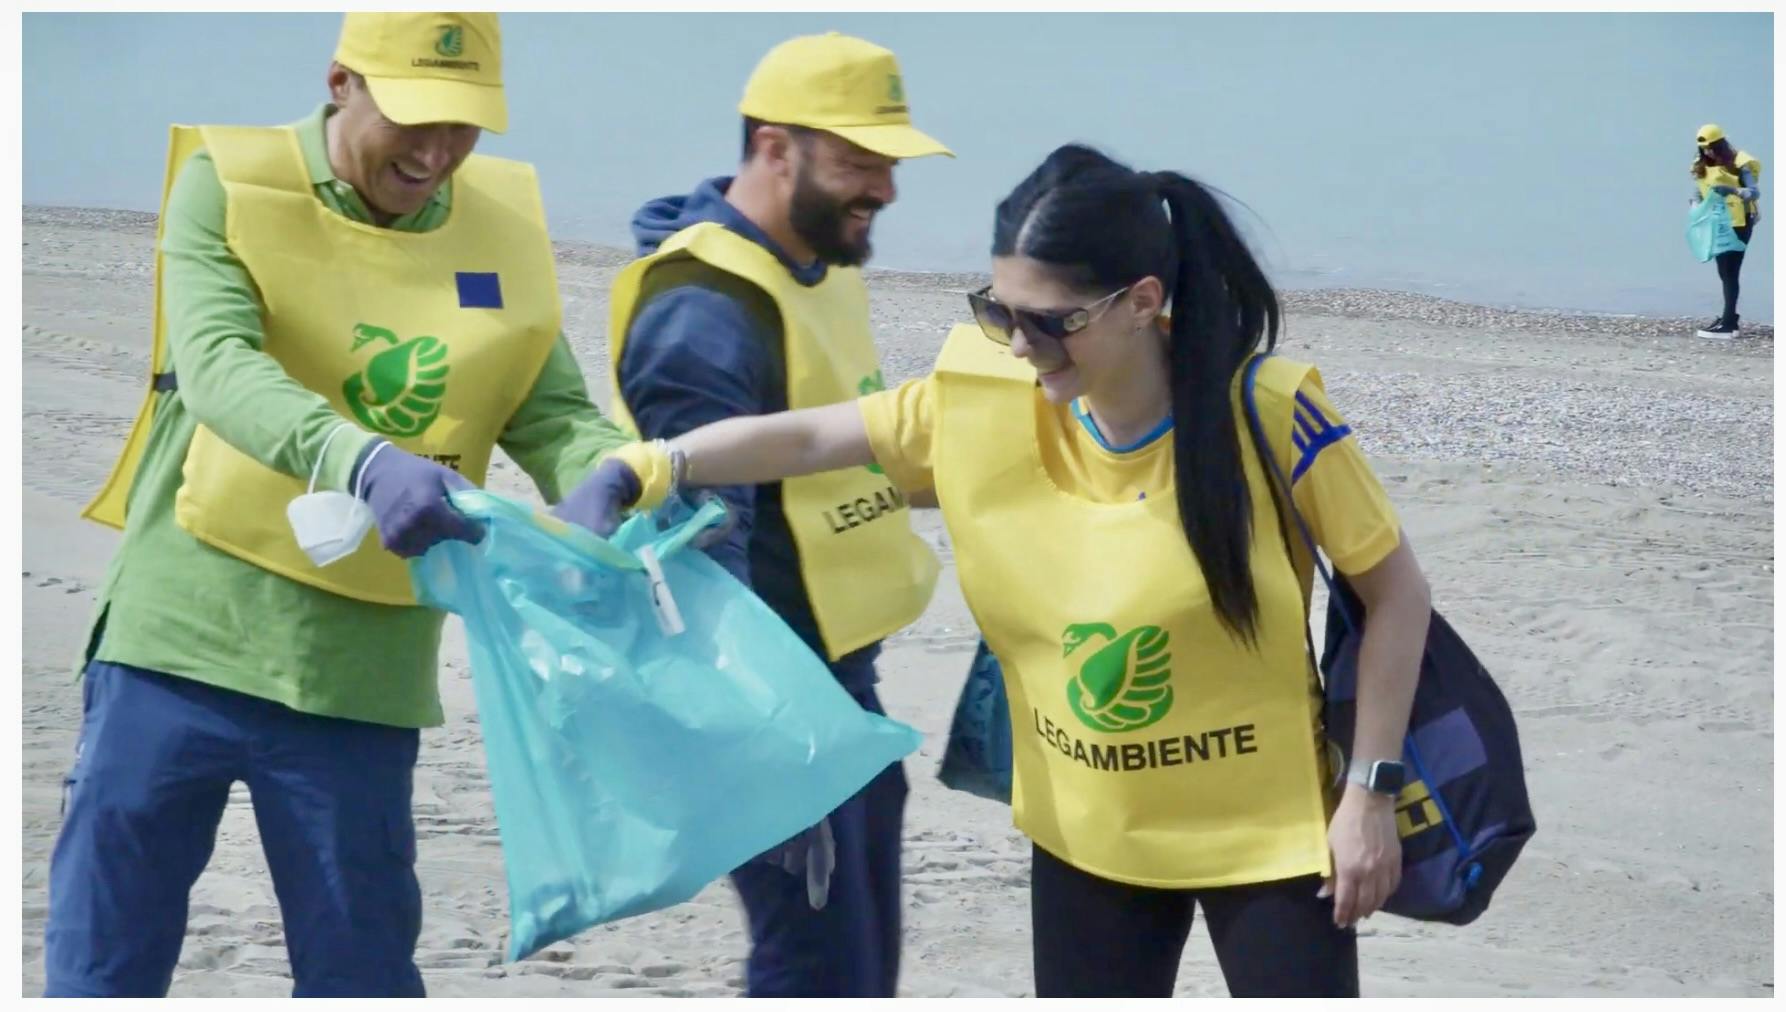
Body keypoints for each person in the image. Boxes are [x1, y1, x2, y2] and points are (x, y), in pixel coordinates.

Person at [557, 144, 1436, 998]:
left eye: (1050, 321)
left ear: (1142, 302)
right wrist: (651, 466)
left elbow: (1394, 594)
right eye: (998, 310)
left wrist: (1368, 795)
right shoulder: (985, 399)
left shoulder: (1270, 411)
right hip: (1088, 835)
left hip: (1271, 837)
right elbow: (816, 435)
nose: (1019, 344)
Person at [48, 13, 632, 997]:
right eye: (415, 115)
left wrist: (613, 474)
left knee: (358, 969)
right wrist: (361, 461)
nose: (439, 151)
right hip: (177, 644)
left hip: (360, 680)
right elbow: (219, 366)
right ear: (341, 82)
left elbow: (554, 412)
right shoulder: (231, 188)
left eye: (466, 124)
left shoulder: (501, 230)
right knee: (104, 961)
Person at [567, 32, 950, 998]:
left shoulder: (817, 264)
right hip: (774, 704)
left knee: (857, 975)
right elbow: (699, 559)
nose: (887, 190)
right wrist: (764, 757)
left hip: (843, 694)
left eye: (891, 164)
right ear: (776, 147)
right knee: (816, 973)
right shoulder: (705, 309)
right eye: (861, 163)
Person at [1689, 123, 1764, 339]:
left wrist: (1731, 190)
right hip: (1717, 223)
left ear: (1720, 144)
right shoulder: (1701, 163)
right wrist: (1695, 207)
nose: (1708, 152)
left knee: (1730, 272)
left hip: (1740, 223)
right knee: (1723, 271)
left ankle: (1729, 324)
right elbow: (1700, 189)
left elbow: (1753, 192)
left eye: (1712, 147)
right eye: (1704, 149)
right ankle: (1728, 317)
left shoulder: (1740, 163)